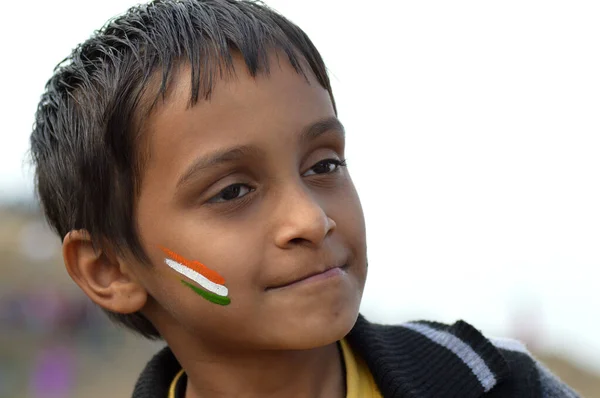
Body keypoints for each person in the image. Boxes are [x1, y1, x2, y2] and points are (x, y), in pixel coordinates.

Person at [29, 1, 580, 397]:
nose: (310, 220)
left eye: (324, 165)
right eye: (232, 191)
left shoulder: (492, 380)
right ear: (110, 269)